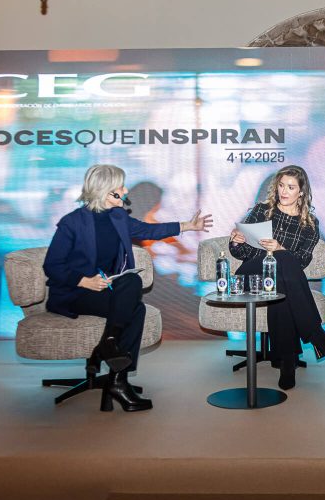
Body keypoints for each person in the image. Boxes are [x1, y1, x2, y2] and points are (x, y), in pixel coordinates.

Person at [43, 164, 212, 412]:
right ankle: (117, 377)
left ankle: (114, 367)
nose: (125, 191)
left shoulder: (118, 217)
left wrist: (188, 226)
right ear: (106, 190)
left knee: (132, 281)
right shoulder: (72, 223)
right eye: (120, 187)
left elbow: (149, 230)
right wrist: (84, 281)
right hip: (75, 293)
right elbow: (52, 265)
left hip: (105, 289)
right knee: (137, 311)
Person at [230, 165, 325, 390]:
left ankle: (287, 362)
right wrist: (236, 241)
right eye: (281, 185)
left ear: (301, 191)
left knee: (283, 278)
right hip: (252, 275)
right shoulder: (261, 211)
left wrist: (280, 248)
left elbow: (302, 261)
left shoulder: (309, 224)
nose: (284, 191)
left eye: (291, 187)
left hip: (282, 280)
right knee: (284, 261)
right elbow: (239, 252)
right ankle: (315, 334)